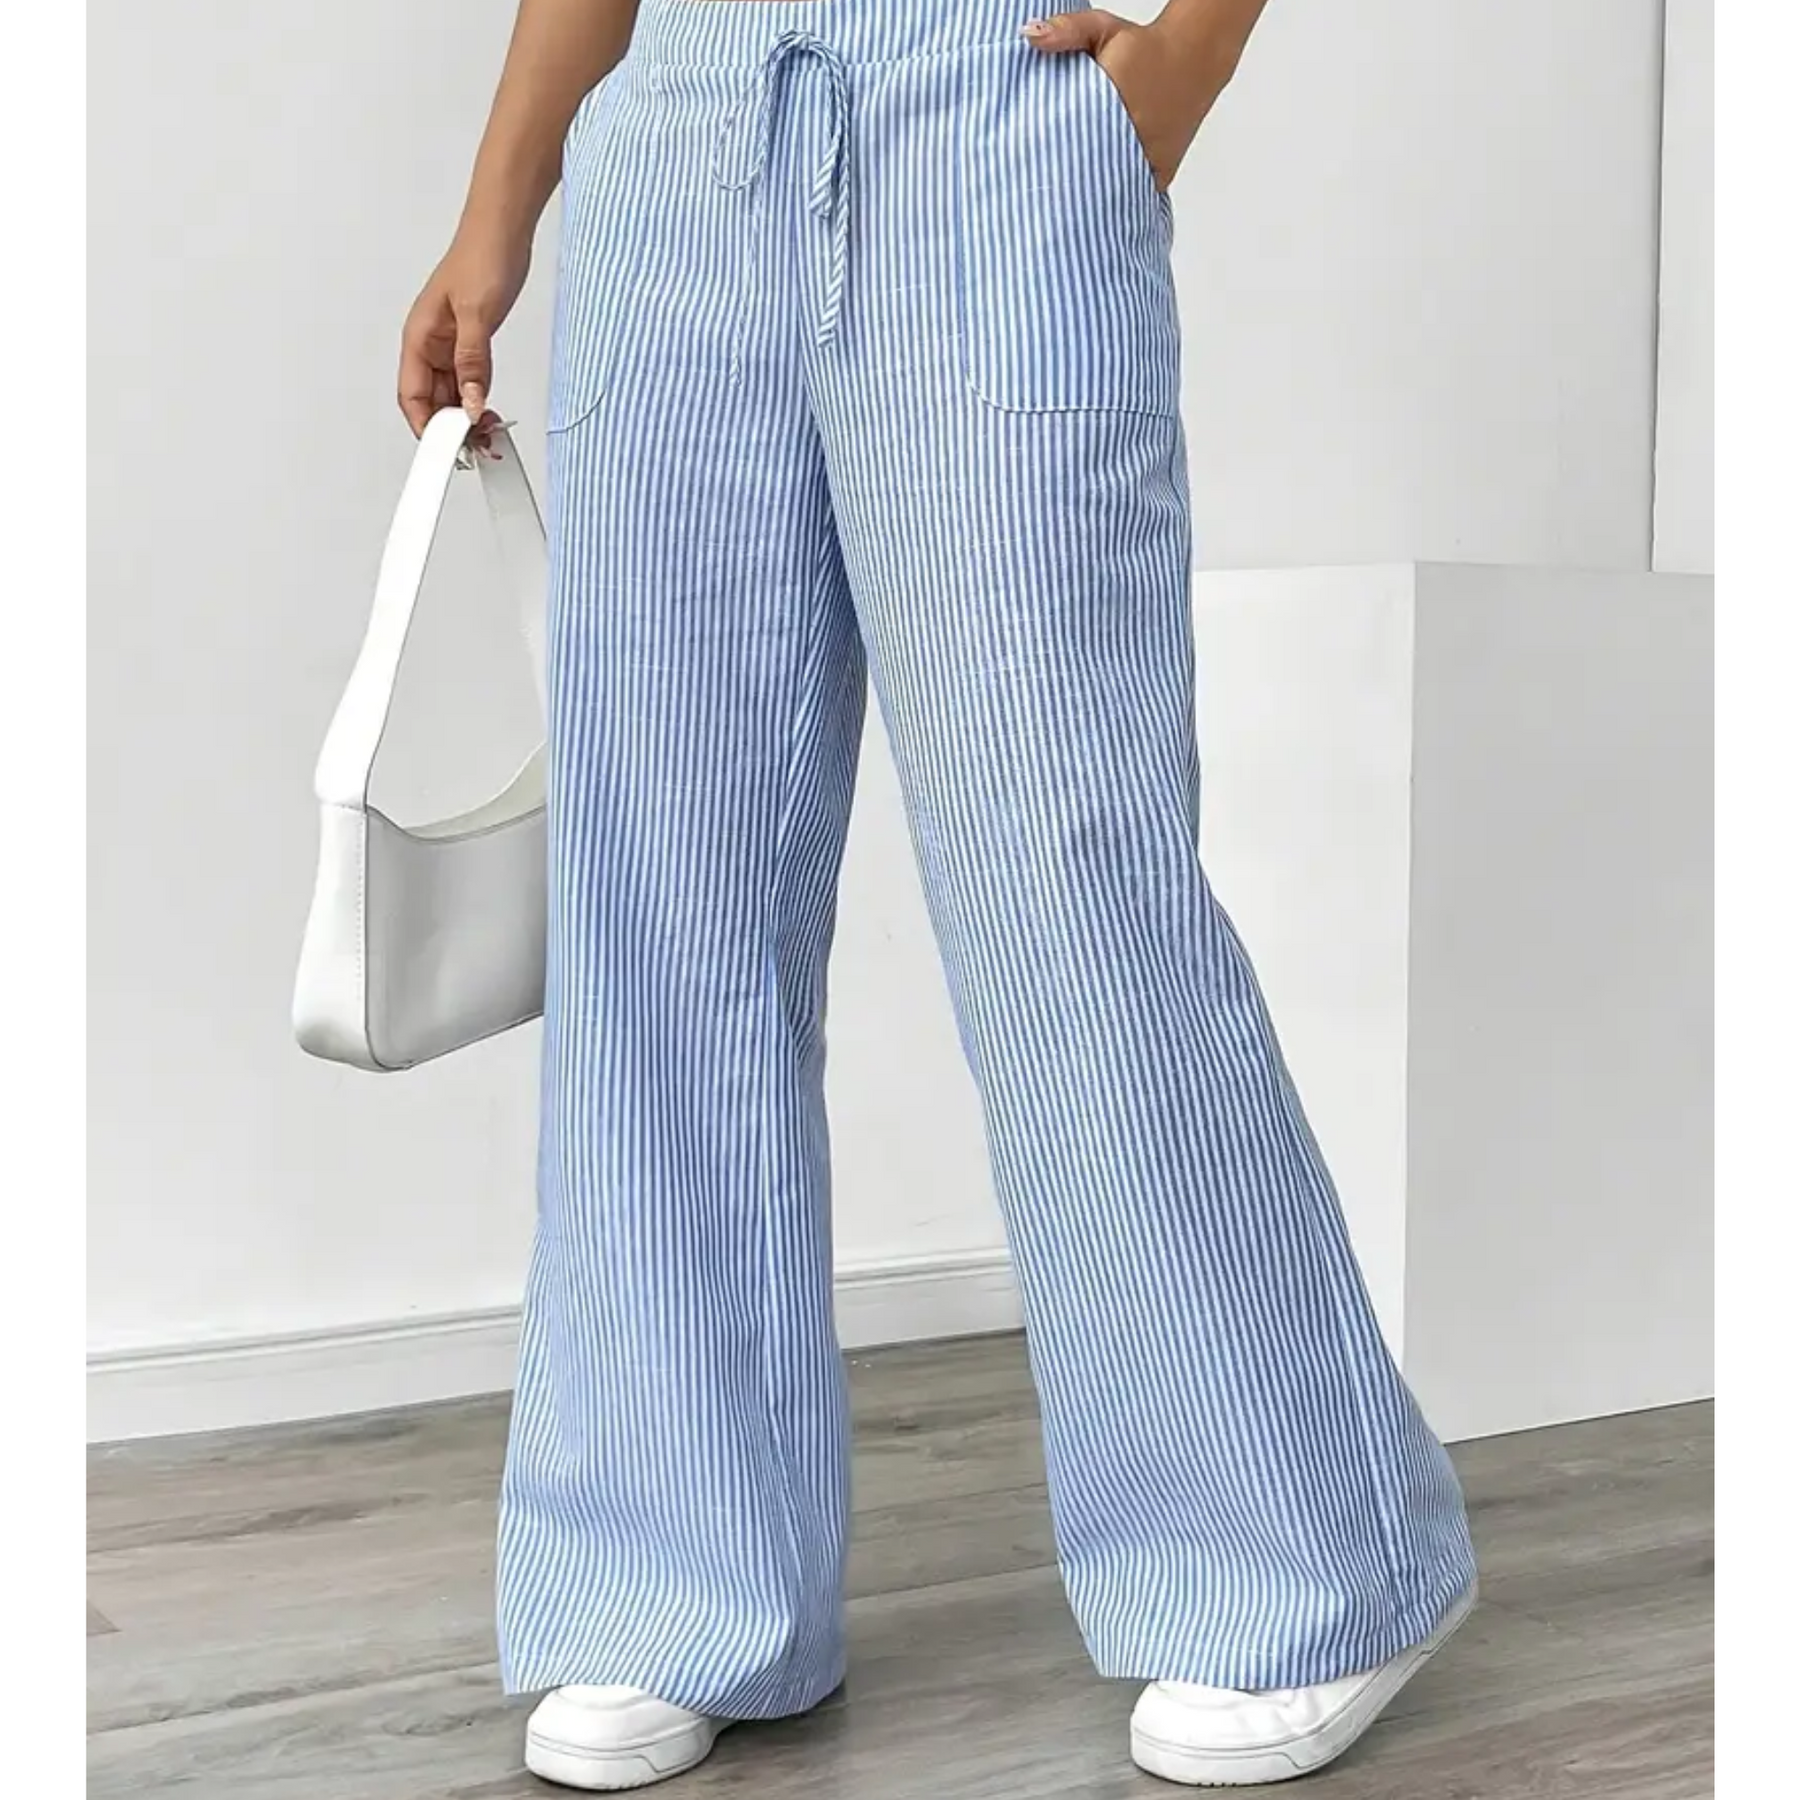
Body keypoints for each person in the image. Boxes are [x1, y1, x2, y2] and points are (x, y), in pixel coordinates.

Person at [399, 1, 1477, 1789]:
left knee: (1065, 880)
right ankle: (671, 1578)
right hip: (675, 159)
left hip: (988, 131)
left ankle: (1303, 1569)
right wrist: (500, 204)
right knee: (661, 906)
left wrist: (1185, 64)